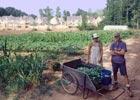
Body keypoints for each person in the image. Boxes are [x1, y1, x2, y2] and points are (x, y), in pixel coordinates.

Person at [110, 32, 133, 97]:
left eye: (117, 36)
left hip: (121, 62)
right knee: (114, 73)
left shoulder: (123, 43)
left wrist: (116, 52)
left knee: (125, 74)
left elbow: (123, 53)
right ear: (114, 37)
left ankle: (128, 88)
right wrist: (118, 52)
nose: (116, 38)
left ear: (119, 37)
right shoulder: (112, 44)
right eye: (115, 37)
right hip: (114, 61)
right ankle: (116, 84)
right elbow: (111, 53)